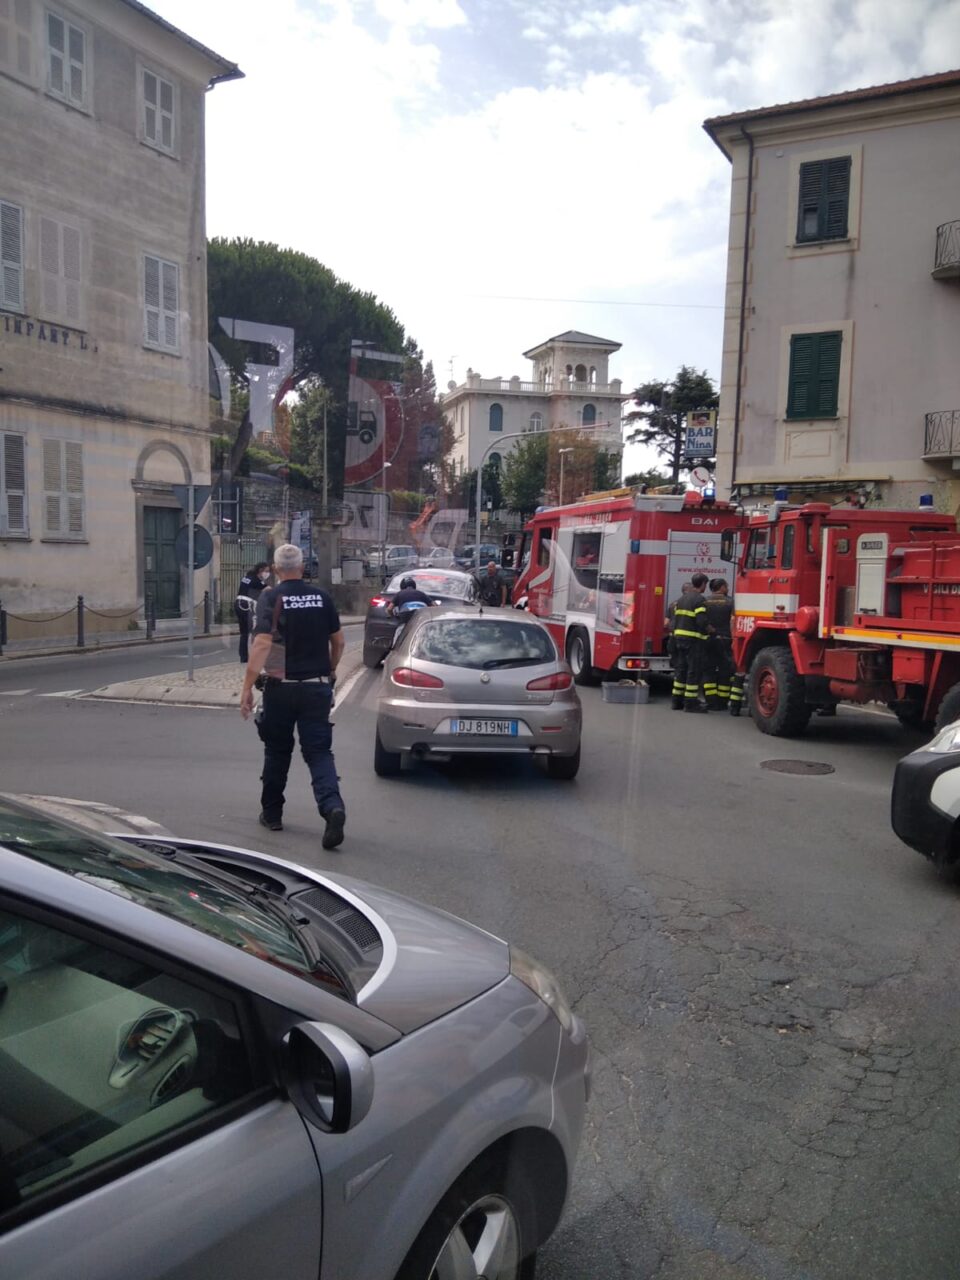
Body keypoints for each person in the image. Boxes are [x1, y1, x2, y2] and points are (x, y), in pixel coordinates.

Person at [239, 544, 346, 850]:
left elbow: (260, 644)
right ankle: (332, 807)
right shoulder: (322, 597)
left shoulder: (271, 597)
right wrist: (331, 669)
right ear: (303, 568)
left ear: (275, 569)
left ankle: (272, 814)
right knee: (319, 753)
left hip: (280, 687)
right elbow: (338, 642)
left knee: (277, 750)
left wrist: (246, 688)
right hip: (316, 686)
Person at [671, 572, 709, 712]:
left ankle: (676, 701)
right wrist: (710, 631)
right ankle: (690, 704)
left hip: (679, 639)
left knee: (681, 670)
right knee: (693, 671)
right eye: (706, 584)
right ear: (703, 584)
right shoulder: (700, 600)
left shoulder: (681, 599)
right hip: (693, 641)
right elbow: (701, 621)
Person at [703, 578, 734, 710]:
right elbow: (733, 621)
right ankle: (722, 701)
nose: (727, 588)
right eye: (726, 586)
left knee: (709, 670)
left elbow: (702, 621)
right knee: (725, 671)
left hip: (709, 639)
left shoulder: (704, 601)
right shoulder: (730, 602)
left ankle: (710, 701)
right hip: (726, 639)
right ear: (721, 587)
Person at [235, 562, 270, 663]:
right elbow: (268, 590)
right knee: (255, 630)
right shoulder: (257, 580)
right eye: (266, 571)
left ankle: (244, 657)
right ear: (260, 570)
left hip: (238, 604)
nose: (267, 574)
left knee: (244, 633)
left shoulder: (247, 577)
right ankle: (255, 656)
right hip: (247, 606)